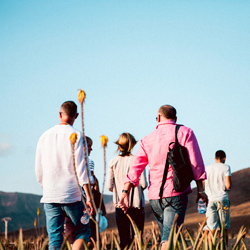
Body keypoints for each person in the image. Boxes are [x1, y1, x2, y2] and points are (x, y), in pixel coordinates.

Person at [118, 105, 208, 250]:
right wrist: (201, 190)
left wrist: (125, 192)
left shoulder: (147, 139)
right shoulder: (185, 132)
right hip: (175, 195)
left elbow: (135, 168)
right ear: (176, 118)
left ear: (158, 118)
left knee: (167, 238)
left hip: (154, 199)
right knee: (169, 241)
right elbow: (196, 163)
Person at [35, 101, 93, 250]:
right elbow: (82, 169)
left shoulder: (44, 136)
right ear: (76, 115)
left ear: (60, 114)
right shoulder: (78, 136)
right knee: (83, 230)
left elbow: (38, 169)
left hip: (50, 194)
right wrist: (88, 196)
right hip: (71, 194)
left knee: (54, 237)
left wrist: (46, 186)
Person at [107, 133, 147, 249]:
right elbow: (143, 184)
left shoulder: (113, 162)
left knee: (123, 239)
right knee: (137, 239)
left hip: (120, 204)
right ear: (132, 144)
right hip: (137, 204)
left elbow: (109, 186)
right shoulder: (138, 160)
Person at [204, 150, 232, 246]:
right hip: (222, 199)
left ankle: (211, 247)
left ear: (215, 158)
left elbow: (204, 183)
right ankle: (223, 247)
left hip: (210, 199)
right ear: (223, 158)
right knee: (224, 228)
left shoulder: (207, 168)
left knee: (211, 228)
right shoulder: (226, 167)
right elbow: (228, 185)